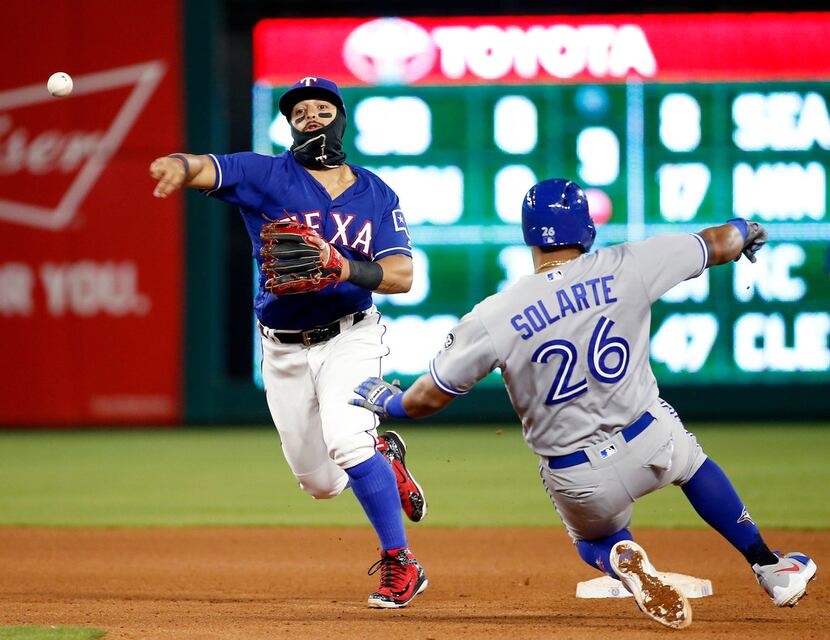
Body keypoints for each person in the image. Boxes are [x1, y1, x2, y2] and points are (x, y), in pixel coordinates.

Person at [351, 178, 818, 628]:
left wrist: (391, 403)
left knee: (592, 539)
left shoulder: (495, 314)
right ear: (587, 229)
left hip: (578, 475)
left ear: (529, 236)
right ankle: (769, 566)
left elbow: (430, 397)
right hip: (649, 438)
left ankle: (620, 555)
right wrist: (747, 229)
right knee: (692, 464)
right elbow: (719, 241)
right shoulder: (629, 263)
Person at [149, 76, 428, 609]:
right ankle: (384, 459)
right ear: (289, 124)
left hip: (352, 334)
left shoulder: (375, 192)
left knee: (347, 441)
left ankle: (401, 562)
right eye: (301, 112)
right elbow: (205, 165)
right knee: (320, 483)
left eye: (323, 109)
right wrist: (177, 167)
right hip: (282, 346)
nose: (312, 117)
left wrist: (341, 265)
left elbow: (401, 275)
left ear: (341, 119)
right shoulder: (266, 174)